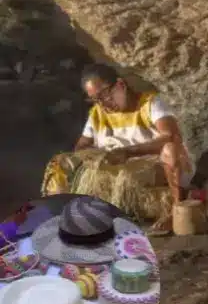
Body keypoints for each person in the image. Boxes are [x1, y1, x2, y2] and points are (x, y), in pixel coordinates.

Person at [43, 63, 194, 232]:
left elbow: (171, 137)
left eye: (105, 95)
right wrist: (96, 156)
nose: (103, 104)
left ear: (120, 85)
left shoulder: (150, 104)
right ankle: (59, 219)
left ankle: (177, 209)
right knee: (60, 163)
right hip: (116, 169)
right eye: (95, 99)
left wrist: (128, 152)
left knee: (170, 149)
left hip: (152, 165)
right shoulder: (98, 113)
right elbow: (82, 146)